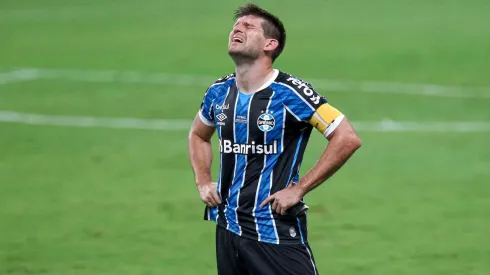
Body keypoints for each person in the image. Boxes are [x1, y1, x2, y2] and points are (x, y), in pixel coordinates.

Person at [188, 3, 361, 275]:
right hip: (228, 227)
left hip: (274, 231)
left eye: (248, 26)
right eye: (236, 26)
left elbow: (346, 137)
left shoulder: (291, 93)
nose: (237, 29)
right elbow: (198, 134)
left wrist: (299, 189)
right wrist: (202, 180)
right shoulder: (218, 92)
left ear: (270, 44)